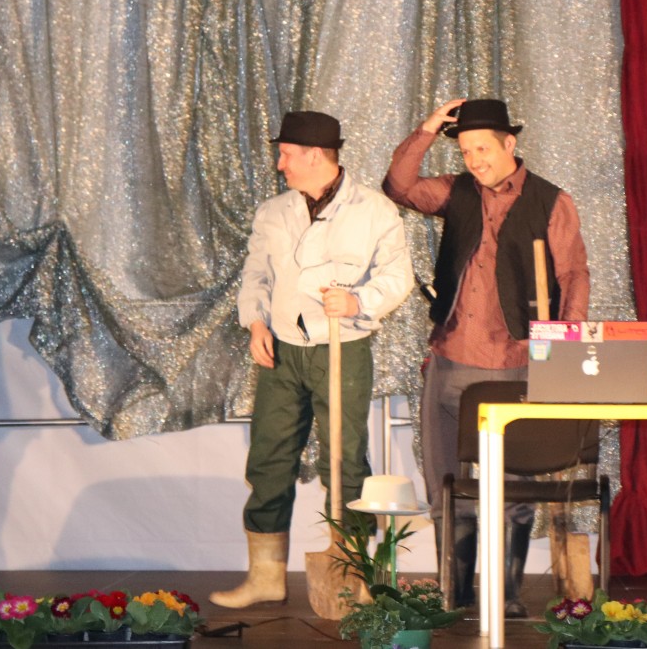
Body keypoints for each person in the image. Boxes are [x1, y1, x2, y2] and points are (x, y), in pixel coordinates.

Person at [382, 97, 591, 617]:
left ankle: (507, 594)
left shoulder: (550, 200)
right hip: (450, 358)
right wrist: (429, 128)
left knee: (514, 485)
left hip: (516, 361)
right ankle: (455, 595)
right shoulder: (455, 191)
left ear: (509, 144)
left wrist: (562, 351)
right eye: (466, 151)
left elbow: (572, 275)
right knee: (445, 484)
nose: (474, 160)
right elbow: (400, 187)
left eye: (482, 149)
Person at [211, 110, 414, 609]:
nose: (280, 164)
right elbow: (256, 274)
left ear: (315, 155)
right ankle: (266, 576)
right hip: (282, 351)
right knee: (268, 459)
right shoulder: (273, 211)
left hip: (342, 347)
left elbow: (397, 277)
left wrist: (358, 301)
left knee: (344, 460)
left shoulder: (374, 210)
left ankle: (352, 573)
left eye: (286, 154)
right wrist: (256, 322)